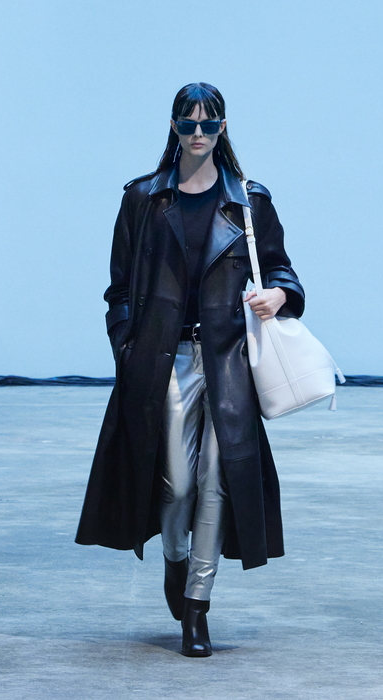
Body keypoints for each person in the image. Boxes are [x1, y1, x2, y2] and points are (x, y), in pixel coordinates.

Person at [75, 82, 305, 657]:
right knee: (176, 484)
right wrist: (128, 350)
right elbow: (119, 290)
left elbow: (283, 270)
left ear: (222, 128)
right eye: (188, 123)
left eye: (208, 124)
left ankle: (197, 606)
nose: (197, 133)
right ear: (173, 126)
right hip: (165, 359)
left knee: (217, 482)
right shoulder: (143, 199)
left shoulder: (248, 200)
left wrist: (280, 296)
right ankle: (175, 560)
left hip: (230, 361)